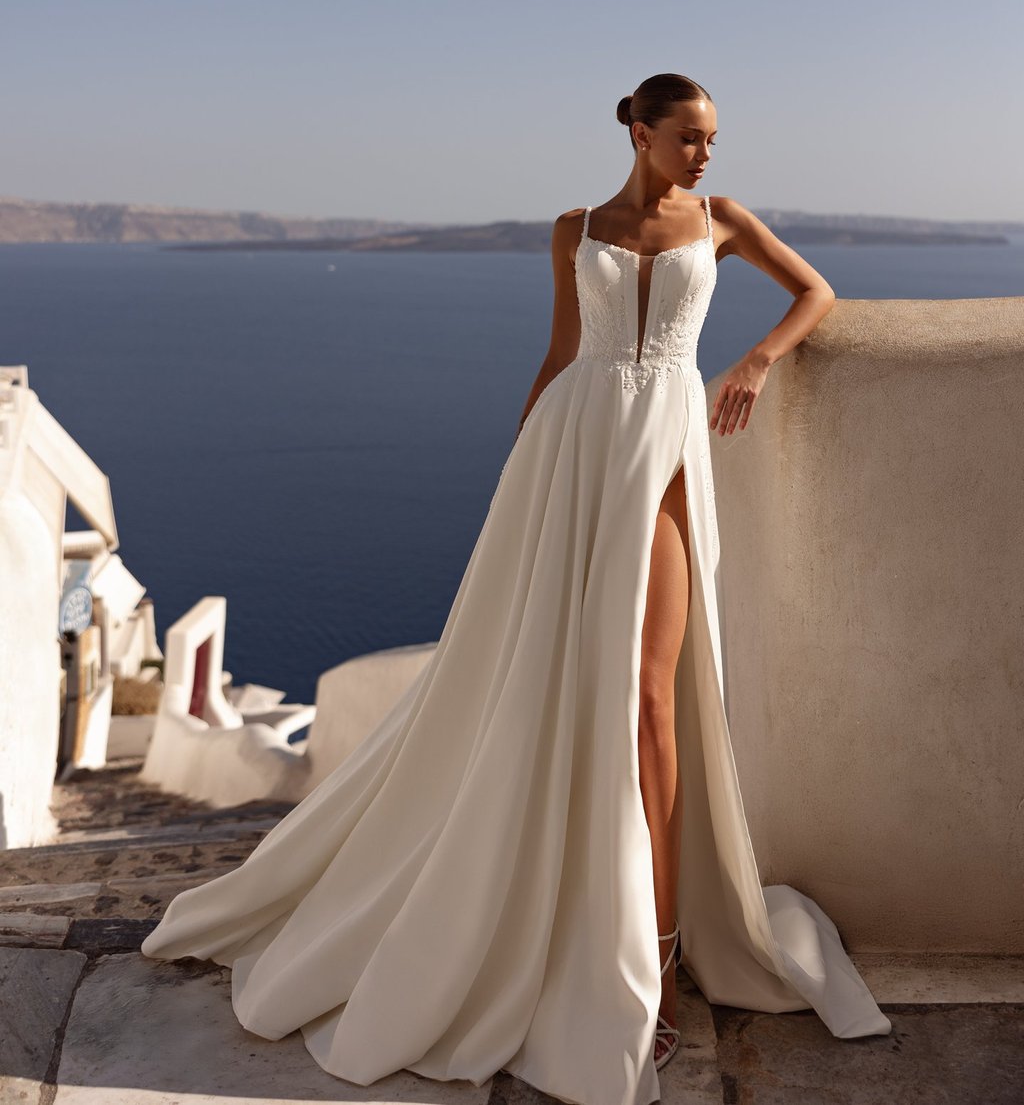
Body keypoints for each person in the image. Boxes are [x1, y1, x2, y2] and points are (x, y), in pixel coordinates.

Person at [141, 74, 891, 1105]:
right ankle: (556, 917)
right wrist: (517, 478)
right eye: (687, 137)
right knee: (538, 679)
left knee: (649, 697)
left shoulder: (723, 222)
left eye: (712, 139)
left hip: (665, 455)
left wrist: (754, 361)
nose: (705, 155)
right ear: (640, 132)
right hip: (570, 455)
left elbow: (817, 292)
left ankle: (659, 957)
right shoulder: (574, 227)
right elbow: (559, 355)